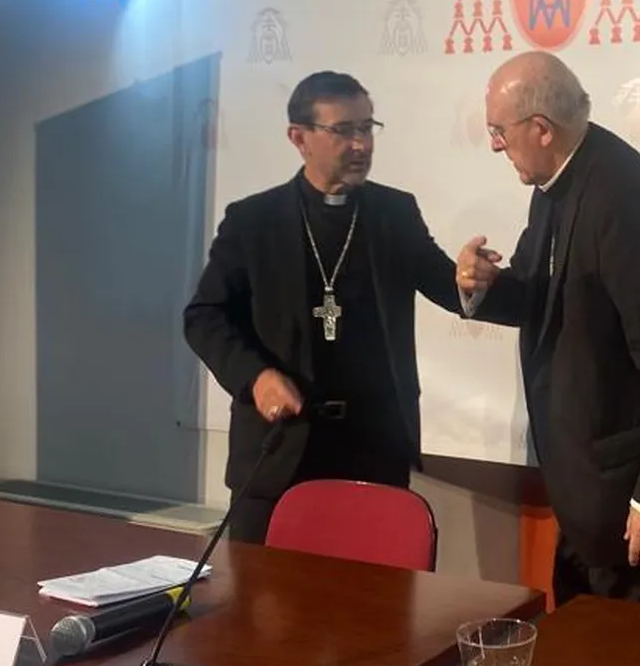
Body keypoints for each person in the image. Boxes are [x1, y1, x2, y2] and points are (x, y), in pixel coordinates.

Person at [455, 51, 640, 609]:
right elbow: (538, 294)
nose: (493, 145)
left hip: (636, 501)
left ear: (541, 129)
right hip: (590, 492)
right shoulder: (556, 181)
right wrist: (482, 285)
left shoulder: (623, 198)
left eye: (499, 131)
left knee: (637, 660)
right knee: (578, 651)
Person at [184, 70, 463, 543]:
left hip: (373, 450)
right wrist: (256, 377)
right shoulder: (254, 221)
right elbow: (204, 316)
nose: (361, 145)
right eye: (344, 131)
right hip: (280, 449)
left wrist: (471, 280)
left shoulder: (394, 214)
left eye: (367, 128)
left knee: (371, 585)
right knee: (262, 588)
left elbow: (448, 285)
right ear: (299, 138)